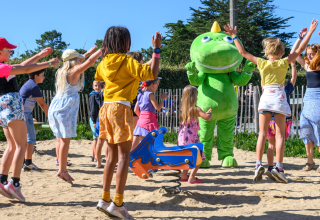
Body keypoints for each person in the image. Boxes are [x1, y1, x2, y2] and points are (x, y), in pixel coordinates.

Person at [224, 19, 318, 183]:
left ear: (266, 53)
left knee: (262, 134)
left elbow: (243, 53)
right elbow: (301, 49)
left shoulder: (262, 63)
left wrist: (234, 37)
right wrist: (309, 32)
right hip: (280, 98)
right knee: (280, 135)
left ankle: (258, 165)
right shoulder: (284, 62)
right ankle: (279, 168)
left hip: (265, 98)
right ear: (281, 53)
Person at [95, 26, 162, 219]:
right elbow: (151, 75)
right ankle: (117, 203)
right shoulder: (126, 60)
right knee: (124, 157)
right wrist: (156, 51)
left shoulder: (104, 62)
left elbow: (100, 77)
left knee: (111, 157)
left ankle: (104, 199)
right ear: (125, 43)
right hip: (121, 108)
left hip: (106, 108)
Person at [0, 37, 60, 202]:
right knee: (21, 145)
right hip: (12, 103)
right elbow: (25, 70)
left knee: (11, 146)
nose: (11, 52)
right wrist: (47, 63)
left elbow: (23, 66)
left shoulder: (4, 68)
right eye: (8, 50)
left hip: (3, 107)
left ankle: (2, 180)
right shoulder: (2, 67)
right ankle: (15, 183)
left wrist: (40, 56)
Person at [49, 46, 101, 185]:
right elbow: (89, 62)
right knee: (65, 141)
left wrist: (90, 51)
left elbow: (84, 58)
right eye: (78, 59)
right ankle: (63, 170)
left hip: (56, 106)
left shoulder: (62, 71)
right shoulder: (74, 70)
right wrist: (103, 50)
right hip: (65, 109)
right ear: (73, 61)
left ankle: (61, 167)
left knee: (60, 140)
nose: (80, 60)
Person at [293, 30, 320, 172]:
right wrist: (299, 38)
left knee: (318, 128)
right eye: (308, 53)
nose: (309, 55)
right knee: (305, 129)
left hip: (318, 98)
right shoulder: (307, 65)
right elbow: (294, 53)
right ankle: (310, 161)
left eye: (312, 53)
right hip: (308, 99)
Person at [266, 60, 297, 180]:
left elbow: (263, 81)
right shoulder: (285, 89)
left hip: (269, 120)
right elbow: (294, 78)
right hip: (281, 119)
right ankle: (279, 167)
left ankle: (269, 167)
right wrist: (293, 64)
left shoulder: (268, 89)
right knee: (280, 141)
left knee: (270, 145)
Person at [178, 85, 212, 184]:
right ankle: (192, 177)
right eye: (196, 95)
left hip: (182, 136)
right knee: (199, 157)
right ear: (193, 97)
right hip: (191, 136)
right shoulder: (196, 109)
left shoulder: (183, 110)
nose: (197, 97)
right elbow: (207, 117)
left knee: (188, 156)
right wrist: (209, 113)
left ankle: (184, 175)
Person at [20, 69, 49, 171]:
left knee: (23, 140)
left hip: (20, 114)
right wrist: (49, 117)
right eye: (42, 75)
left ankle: (23, 162)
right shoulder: (34, 86)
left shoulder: (28, 84)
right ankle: (28, 163)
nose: (44, 77)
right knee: (31, 138)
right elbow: (42, 104)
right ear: (36, 76)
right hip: (25, 113)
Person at [131, 77, 167, 150]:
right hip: (149, 122)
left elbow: (135, 110)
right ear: (152, 85)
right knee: (149, 145)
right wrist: (162, 99)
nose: (158, 85)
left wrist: (142, 117)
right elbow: (158, 108)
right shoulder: (150, 94)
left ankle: (129, 158)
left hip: (141, 121)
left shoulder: (140, 94)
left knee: (136, 144)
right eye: (157, 83)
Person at [126, 51, 144, 129]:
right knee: (134, 132)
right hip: (134, 106)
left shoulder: (127, 73)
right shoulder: (135, 73)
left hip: (130, 105)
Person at [89, 80, 101, 163]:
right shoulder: (93, 96)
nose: (97, 87)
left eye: (99, 86)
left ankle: (94, 157)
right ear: (93, 87)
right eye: (96, 85)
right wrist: (94, 121)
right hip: (94, 119)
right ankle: (96, 157)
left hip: (95, 119)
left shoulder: (97, 95)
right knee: (96, 139)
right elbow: (93, 109)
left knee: (95, 139)